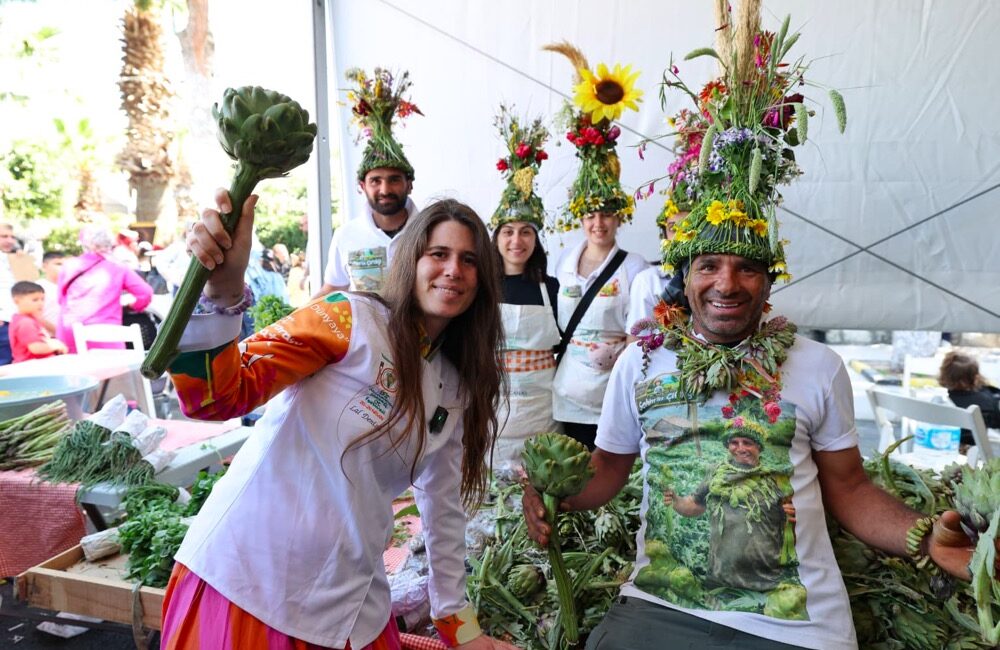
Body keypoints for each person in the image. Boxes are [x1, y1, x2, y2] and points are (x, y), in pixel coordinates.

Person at [524, 14, 985, 649]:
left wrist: (924, 534)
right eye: (708, 265)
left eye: (747, 268)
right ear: (683, 279)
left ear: (770, 283)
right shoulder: (641, 363)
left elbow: (848, 489)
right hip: (660, 609)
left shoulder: (817, 367)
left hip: (797, 628)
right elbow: (607, 472)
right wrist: (550, 494)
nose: (726, 283)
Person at [161, 191, 517, 650]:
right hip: (250, 585)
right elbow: (218, 395)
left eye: (469, 260)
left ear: (483, 281)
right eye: (439, 254)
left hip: (352, 599)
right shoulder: (348, 319)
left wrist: (462, 630)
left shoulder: (455, 383)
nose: (453, 270)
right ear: (411, 260)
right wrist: (220, 291)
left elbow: (443, 509)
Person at [546, 44, 647, 450]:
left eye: (606, 213)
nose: (598, 222)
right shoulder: (563, 263)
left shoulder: (633, 266)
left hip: (612, 389)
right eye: (590, 214)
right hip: (568, 392)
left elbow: (646, 331)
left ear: (619, 217)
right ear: (580, 218)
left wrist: (624, 346)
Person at [489, 107, 561, 466]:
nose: (517, 241)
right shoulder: (481, 289)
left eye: (526, 232)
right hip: (492, 420)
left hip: (542, 419)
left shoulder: (552, 287)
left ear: (536, 239)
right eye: (508, 232)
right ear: (496, 237)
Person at [315, 67, 422, 297]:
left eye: (394, 180)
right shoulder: (346, 235)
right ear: (362, 186)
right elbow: (333, 290)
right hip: (365, 334)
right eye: (375, 181)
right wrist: (291, 322)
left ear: (409, 184)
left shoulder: (430, 230)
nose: (385, 189)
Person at [663, 428, 797, 593]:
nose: (740, 448)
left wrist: (792, 514)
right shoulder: (716, 473)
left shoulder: (774, 478)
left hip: (765, 578)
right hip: (721, 577)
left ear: (759, 447)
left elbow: (792, 519)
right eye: (734, 443)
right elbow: (695, 504)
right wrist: (677, 502)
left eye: (747, 443)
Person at [55, 223, 153, 353]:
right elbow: (145, 293)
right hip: (106, 334)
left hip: (69, 331)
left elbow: (61, 300)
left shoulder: (69, 265)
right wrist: (133, 306)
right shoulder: (118, 267)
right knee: (116, 371)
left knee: (76, 373)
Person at [938, 350, 1000, 446]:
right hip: (980, 448)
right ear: (976, 377)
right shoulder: (988, 400)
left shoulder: (942, 401)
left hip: (950, 444)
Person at [9, 280, 67, 362]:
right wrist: (55, 346)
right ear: (17, 301)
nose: (40, 303)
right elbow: (35, 348)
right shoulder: (25, 322)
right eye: (35, 300)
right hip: (32, 366)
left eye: (42, 299)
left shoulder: (29, 319)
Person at [0, 223, 23, 364]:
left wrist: (21, 261)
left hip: (17, 320)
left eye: (12, 237)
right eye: (4, 236)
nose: (9, 240)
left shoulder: (14, 258)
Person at [37, 251, 65, 335]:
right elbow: (35, 316)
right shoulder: (38, 287)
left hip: (72, 339)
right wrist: (59, 332)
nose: (63, 267)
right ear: (44, 266)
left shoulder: (71, 287)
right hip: (47, 339)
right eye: (58, 264)